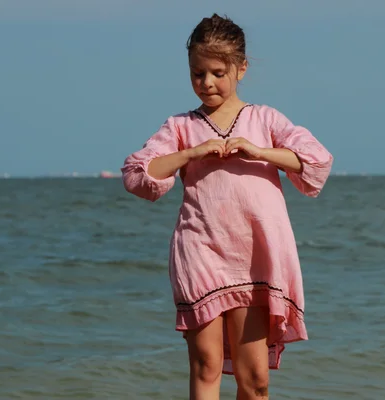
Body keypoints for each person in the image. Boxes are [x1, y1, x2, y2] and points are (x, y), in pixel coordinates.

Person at [121, 14, 334, 400]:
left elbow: (316, 161)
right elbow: (139, 175)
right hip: (200, 253)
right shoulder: (181, 126)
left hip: (253, 258)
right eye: (197, 73)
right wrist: (190, 152)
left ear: (241, 68)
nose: (206, 83)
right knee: (207, 366)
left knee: (255, 383)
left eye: (217, 72)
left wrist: (259, 151)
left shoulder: (265, 119)